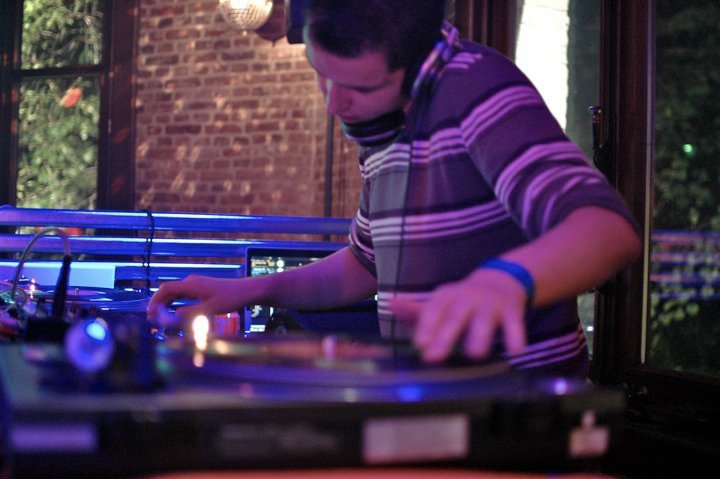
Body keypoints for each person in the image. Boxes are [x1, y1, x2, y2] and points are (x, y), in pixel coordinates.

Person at [148, 0, 641, 377]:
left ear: (419, 66)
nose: (334, 105)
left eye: (359, 87)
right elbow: (365, 266)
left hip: (516, 402)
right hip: (430, 393)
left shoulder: (478, 90)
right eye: (322, 74)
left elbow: (608, 229)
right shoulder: (383, 121)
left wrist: (506, 281)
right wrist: (250, 290)